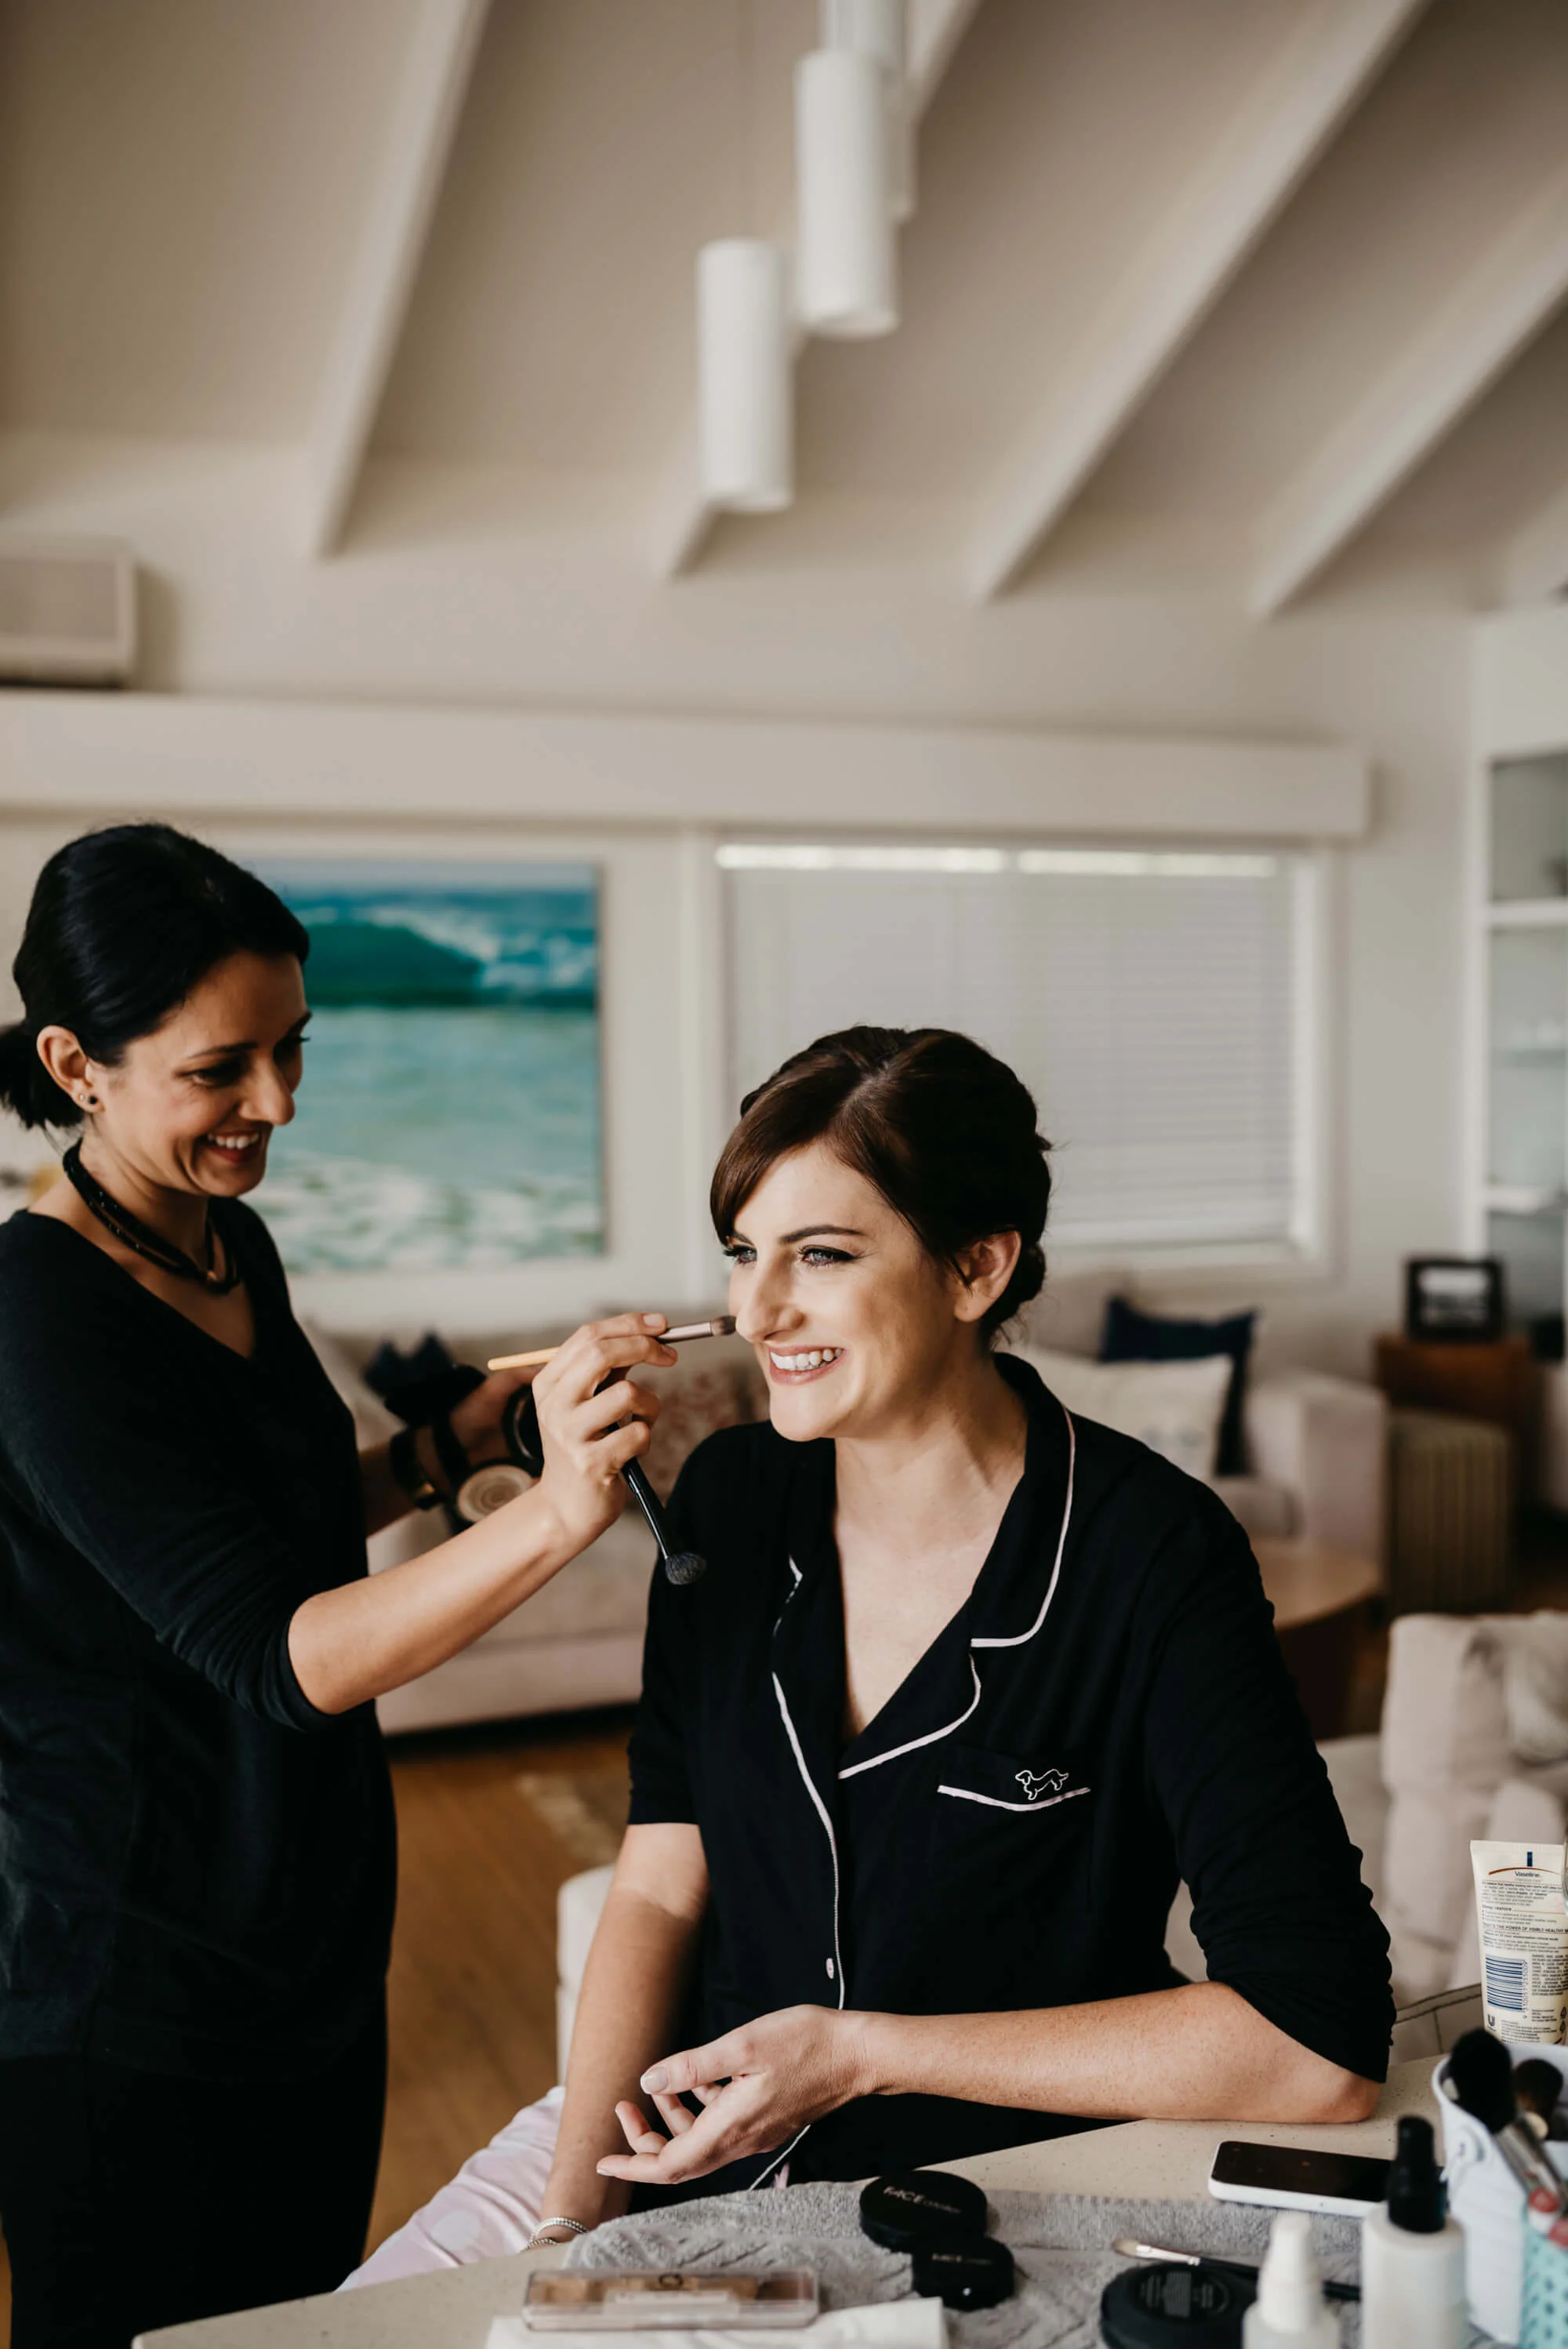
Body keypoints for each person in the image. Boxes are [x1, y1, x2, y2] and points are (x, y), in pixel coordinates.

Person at [351, 1024, 1392, 2281]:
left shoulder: (1151, 1556)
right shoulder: (730, 1500)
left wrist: (860, 2052)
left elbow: (1313, 2045)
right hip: (666, 2142)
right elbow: (659, 1884)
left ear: (975, 1269)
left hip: (991, 2192)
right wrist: (578, 2224)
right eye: (744, 1255)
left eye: (822, 1255)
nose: (755, 1308)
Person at [0, 823, 677, 2349]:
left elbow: (284, 1518)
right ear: (75, 1060)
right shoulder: (39, 1318)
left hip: (302, 1939)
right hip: (134, 1989)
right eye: (221, 1068)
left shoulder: (226, 1242)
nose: (276, 1104)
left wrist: (469, 1437)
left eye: (295, 1049)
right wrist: (563, 1506)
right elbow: (279, 1648)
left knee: (307, 2325)